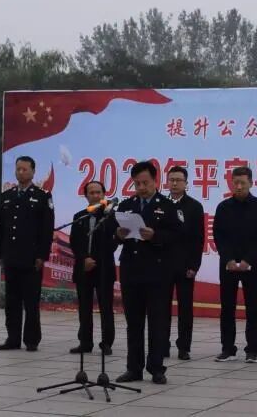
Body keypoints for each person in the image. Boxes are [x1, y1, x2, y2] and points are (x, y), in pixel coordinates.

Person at [114, 161, 179, 385]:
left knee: (157, 322)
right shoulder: (126, 205)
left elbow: (176, 237)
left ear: (155, 181)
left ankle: (156, 368)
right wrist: (119, 235)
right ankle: (133, 368)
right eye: (137, 183)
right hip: (131, 271)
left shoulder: (167, 206)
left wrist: (155, 236)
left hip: (158, 273)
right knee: (133, 323)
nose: (141, 187)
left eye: (145, 183)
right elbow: (113, 236)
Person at [212, 166, 257, 363]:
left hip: (251, 265)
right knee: (227, 308)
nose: (238, 187)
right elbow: (218, 236)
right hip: (228, 265)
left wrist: (248, 260)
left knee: (252, 307)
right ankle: (228, 348)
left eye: (242, 183)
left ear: (251, 183)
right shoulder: (223, 207)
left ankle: (252, 350)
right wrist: (228, 259)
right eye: (235, 183)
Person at [0, 156, 54, 352]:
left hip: (31, 258)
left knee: (31, 301)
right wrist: (0, 255)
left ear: (33, 172)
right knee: (12, 301)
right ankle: (12, 338)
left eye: (24, 169)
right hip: (11, 257)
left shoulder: (42, 196)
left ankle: (31, 339)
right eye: (18, 169)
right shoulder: (7, 195)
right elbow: (2, 228)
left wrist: (41, 256)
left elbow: (46, 230)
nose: (20, 172)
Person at [68, 181, 118, 356]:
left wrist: (94, 259)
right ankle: (85, 342)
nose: (95, 196)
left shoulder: (110, 216)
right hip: (83, 268)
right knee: (84, 308)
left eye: (99, 192)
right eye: (92, 193)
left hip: (104, 268)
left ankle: (106, 343)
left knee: (106, 308)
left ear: (104, 194)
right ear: (86, 196)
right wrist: (84, 259)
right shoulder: (79, 216)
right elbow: (74, 242)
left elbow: (113, 243)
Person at [165, 166, 204, 361]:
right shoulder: (160, 204)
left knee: (185, 308)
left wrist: (194, 266)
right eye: (171, 179)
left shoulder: (194, 207)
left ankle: (184, 347)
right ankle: (162, 345)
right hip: (162, 265)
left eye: (178, 180)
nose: (174, 183)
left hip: (185, 265)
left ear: (186, 183)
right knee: (161, 308)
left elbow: (198, 239)